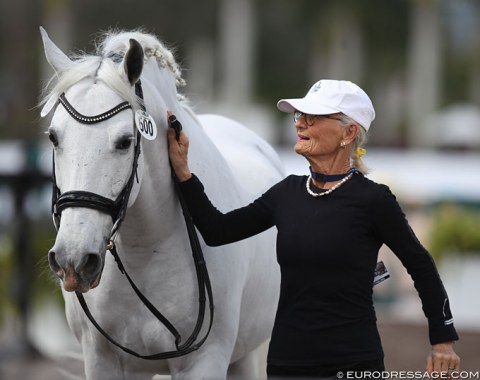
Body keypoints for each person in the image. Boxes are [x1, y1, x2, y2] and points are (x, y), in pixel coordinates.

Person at [167, 79, 460, 378]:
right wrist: (184, 174)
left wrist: (443, 341)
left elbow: (421, 266)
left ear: (349, 132)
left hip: (354, 365)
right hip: (287, 365)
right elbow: (217, 230)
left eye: (314, 117)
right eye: (299, 115)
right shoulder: (286, 193)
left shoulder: (374, 200)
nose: (300, 124)